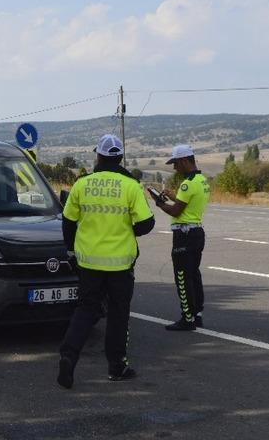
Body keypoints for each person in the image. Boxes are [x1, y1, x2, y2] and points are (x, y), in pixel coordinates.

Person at [57, 134, 155, 389]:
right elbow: (147, 223)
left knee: (85, 310)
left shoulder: (82, 184)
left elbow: (68, 221)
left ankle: (68, 356)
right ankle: (116, 366)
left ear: (98, 156)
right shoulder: (131, 186)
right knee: (118, 315)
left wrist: (71, 251)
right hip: (120, 264)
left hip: (88, 262)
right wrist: (128, 229)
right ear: (119, 157)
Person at [152, 144, 210, 331]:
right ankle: (197, 314)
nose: (175, 167)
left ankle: (187, 318)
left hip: (184, 235)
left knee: (182, 277)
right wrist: (174, 196)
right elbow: (187, 203)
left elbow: (176, 211)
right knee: (194, 274)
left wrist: (159, 203)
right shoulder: (201, 180)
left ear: (185, 160)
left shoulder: (187, 183)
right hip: (197, 232)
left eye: (176, 163)